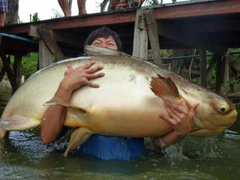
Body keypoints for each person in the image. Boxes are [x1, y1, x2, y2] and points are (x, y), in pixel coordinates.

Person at [40, 26, 199, 160]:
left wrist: (180, 132)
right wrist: (65, 87)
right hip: (86, 165)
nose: (103, 46)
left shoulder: (138, 87)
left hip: (134, 167)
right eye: (97, 43)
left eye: (110, 43)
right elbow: (47, 137)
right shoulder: (74, 83)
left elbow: (158, 144)